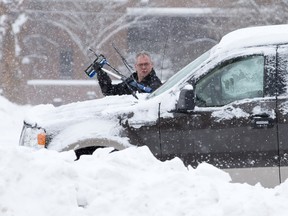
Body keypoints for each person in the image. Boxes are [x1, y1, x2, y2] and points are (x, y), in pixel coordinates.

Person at [97, 51, 162, 96]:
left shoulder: (156, 84)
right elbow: (109, 92)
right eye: (140, 64)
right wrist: (101, 74)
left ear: (152, 65)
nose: (143, 67)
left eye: (146, 64)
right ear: (135, 66)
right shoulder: (130, 82)